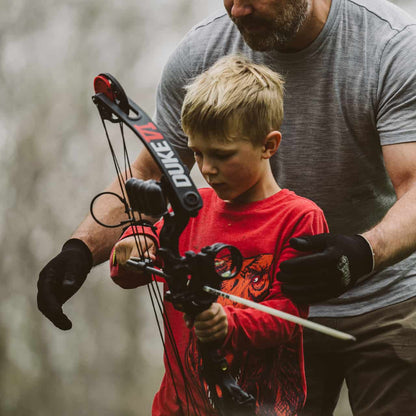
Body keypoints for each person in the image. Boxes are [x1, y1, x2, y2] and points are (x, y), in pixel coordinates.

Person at [37, 0, 416, 414]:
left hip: (385, 298)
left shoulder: (391, 44)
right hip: (262, 324)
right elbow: (154, 170)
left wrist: (362, 253)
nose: (237, 10)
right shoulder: (202, 53)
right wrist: (79, 249)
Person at [110, 54, 328, 415]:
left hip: (259, 403)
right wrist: (134, 243)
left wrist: (229, 323)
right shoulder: (189, 208)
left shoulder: (300, 217)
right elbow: (133, 266)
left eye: (222, 155)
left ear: (268, 145)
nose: (207, 169)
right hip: (179, 403)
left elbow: (288, 313)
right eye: (197, 153)